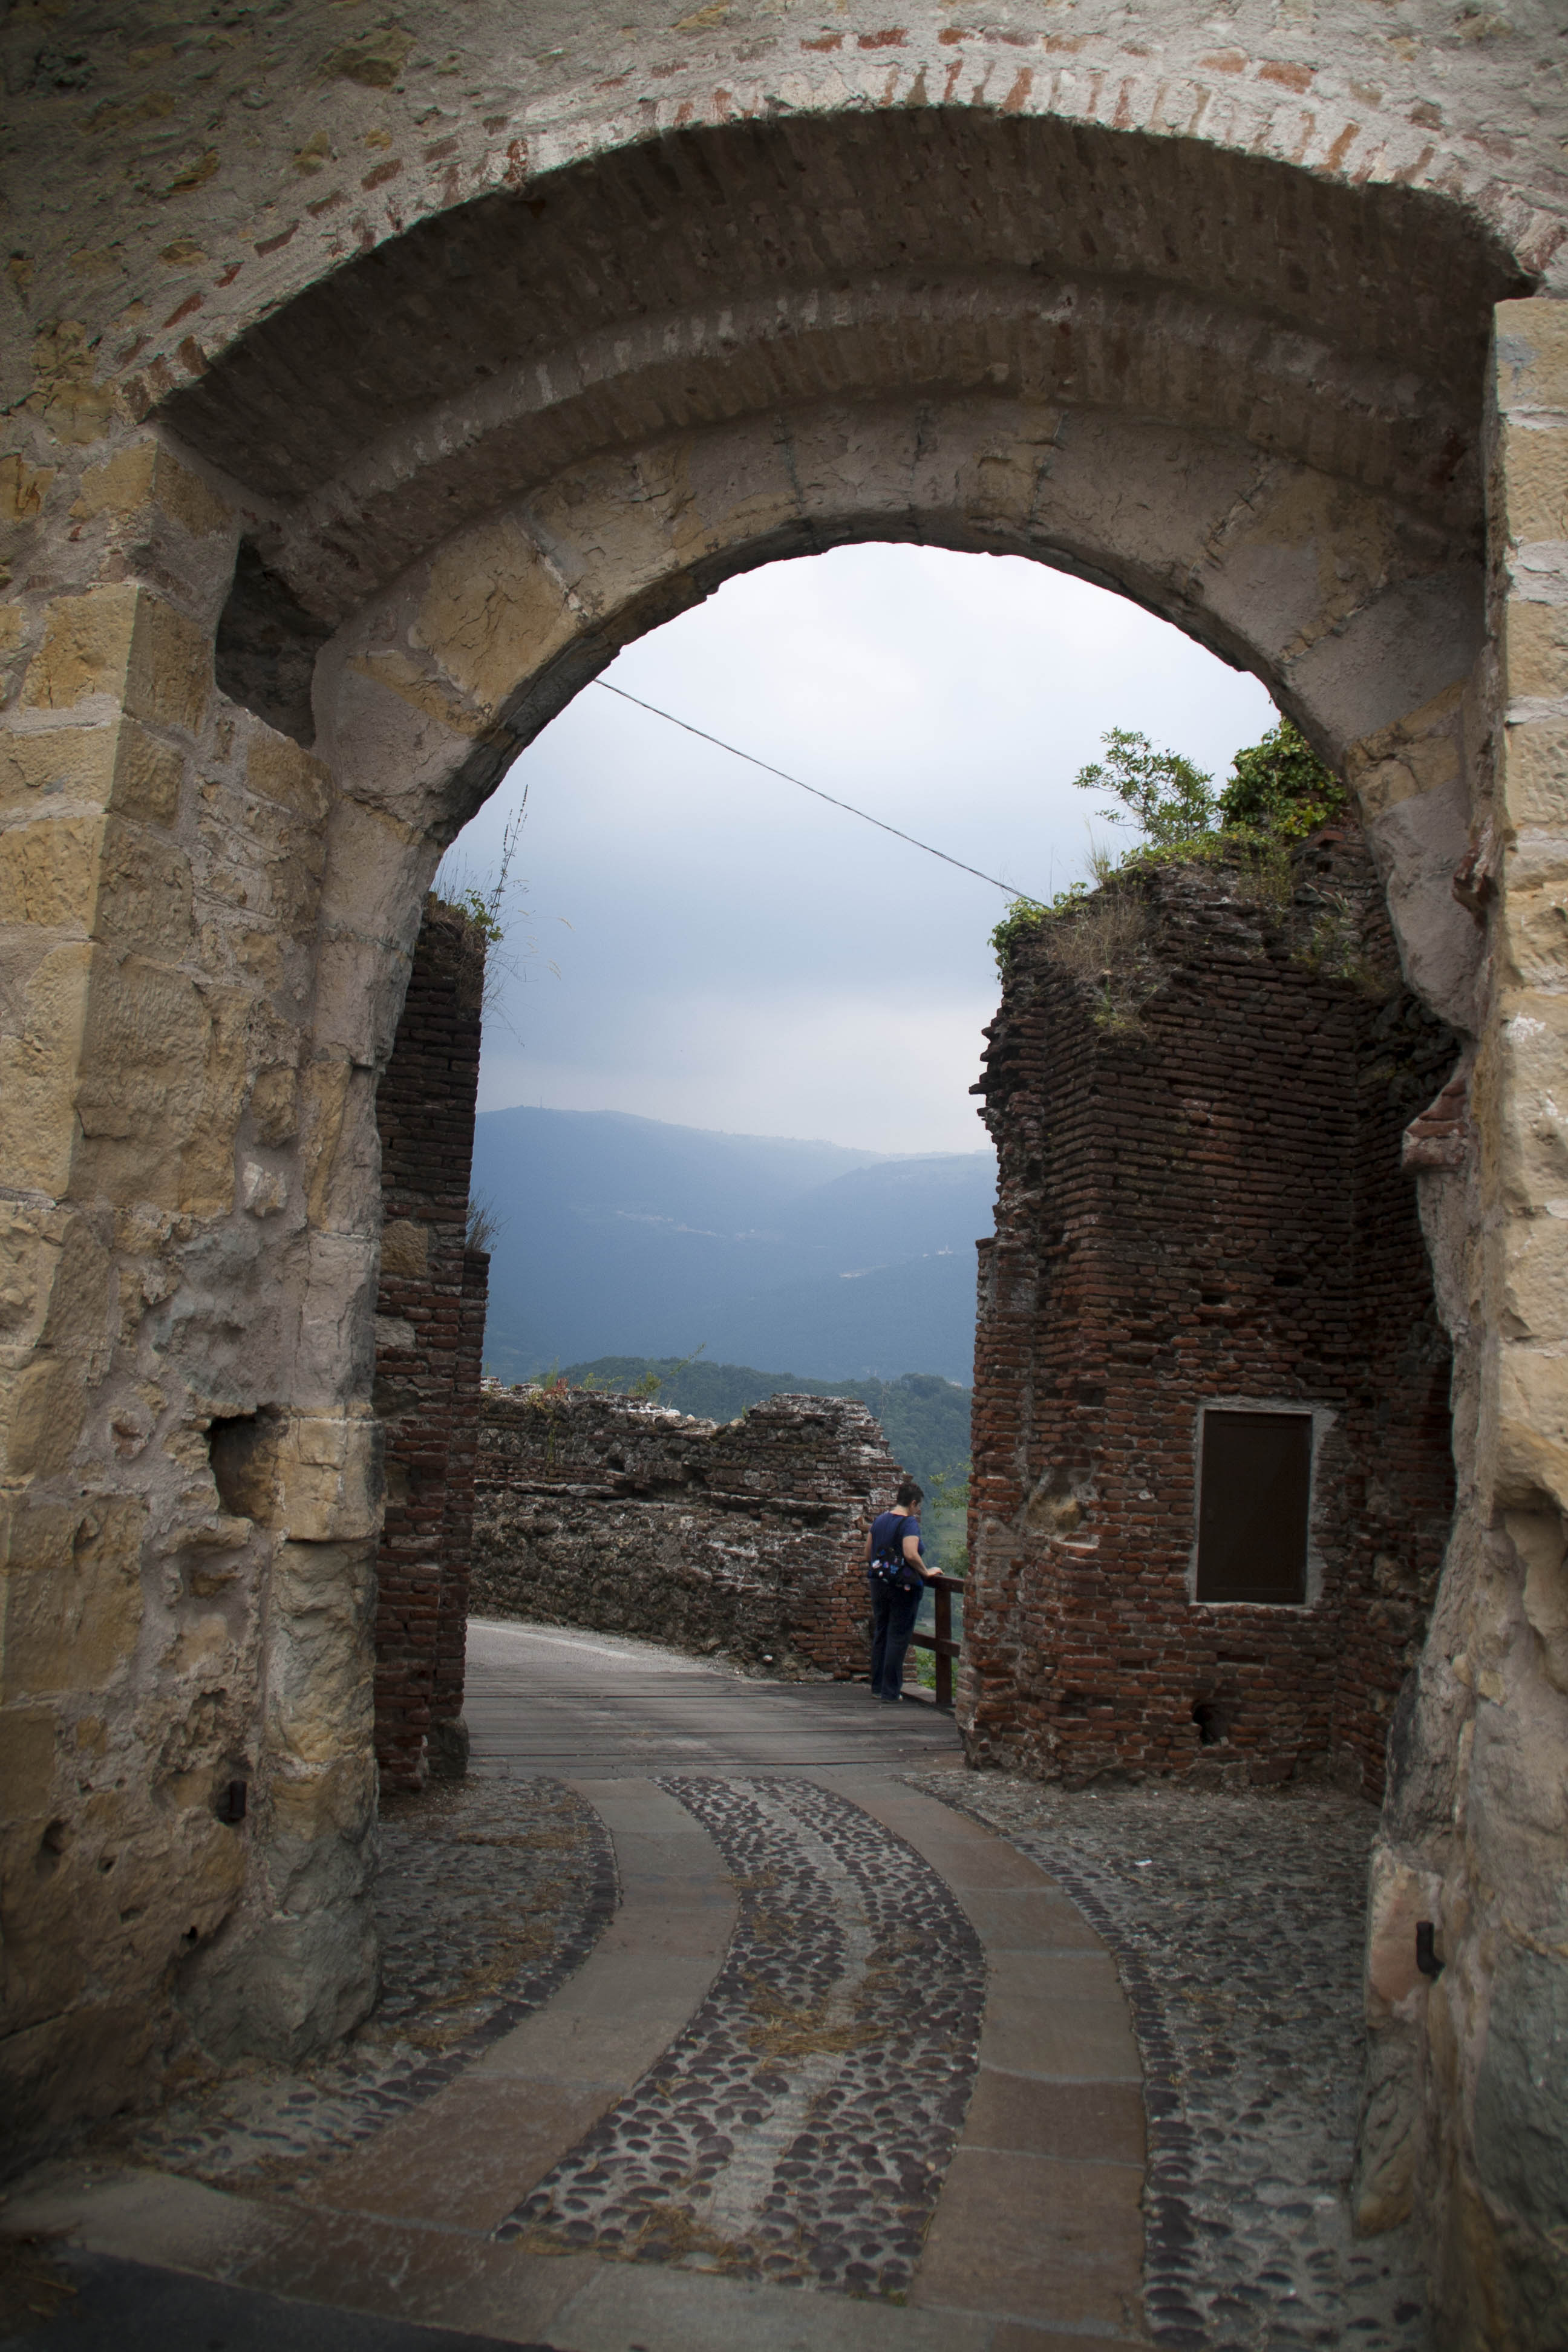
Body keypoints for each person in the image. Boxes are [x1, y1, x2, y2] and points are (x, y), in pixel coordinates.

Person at [862, 1479, 942, 1704]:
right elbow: (910, 1553)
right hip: (903, 1588)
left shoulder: (880, 1520)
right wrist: (926, 1572)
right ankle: (891, 1692)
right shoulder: (909, 1524)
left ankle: (877, 1687)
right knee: (898, 1637)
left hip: (879, 1585)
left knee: (882, 1632)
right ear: (913, 1503)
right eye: (918, 1507)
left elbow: (868, 1554)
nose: (918, 1511)